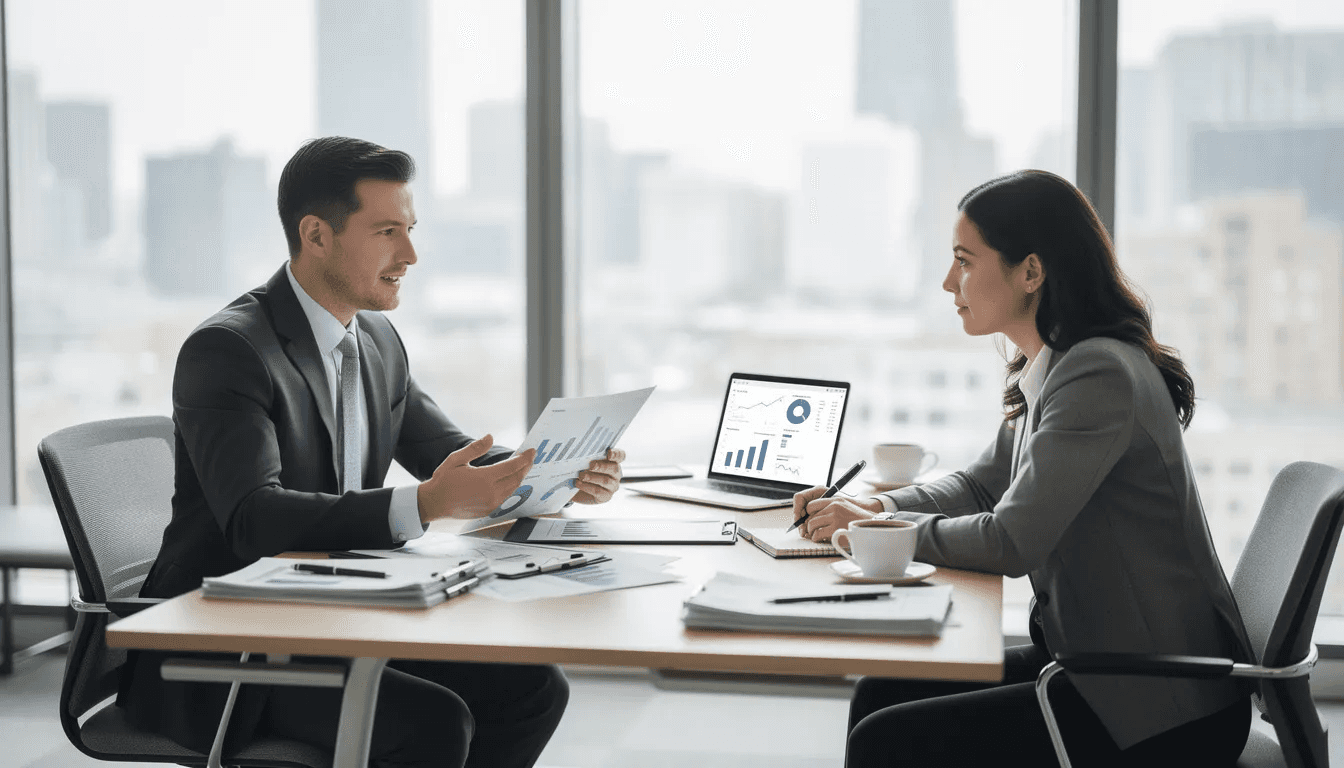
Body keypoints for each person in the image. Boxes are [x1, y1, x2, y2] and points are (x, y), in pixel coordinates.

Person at [120, 136, 627, 768]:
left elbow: (448, 457)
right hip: (224, 642)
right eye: (387, 231)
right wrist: (426, 503)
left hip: (335, 613)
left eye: (411, 230)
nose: (411, 254)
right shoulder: (229, 351)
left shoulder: (378, 340)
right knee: (432, 724)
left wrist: (553, 474)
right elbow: (254, 519)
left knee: (531, 689)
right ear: (317, 235)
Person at [792, 170, 1253, 767]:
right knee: (880, 695)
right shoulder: (1056, 364)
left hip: (1159, 706)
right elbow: (984, 483)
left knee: (888, 743)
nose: (947, 282)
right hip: (1096, 670)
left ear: (1031, 273)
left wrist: (875, 534)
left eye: (964, 261)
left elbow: (1012, 540)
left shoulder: (1098, 375)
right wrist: (878, 508)